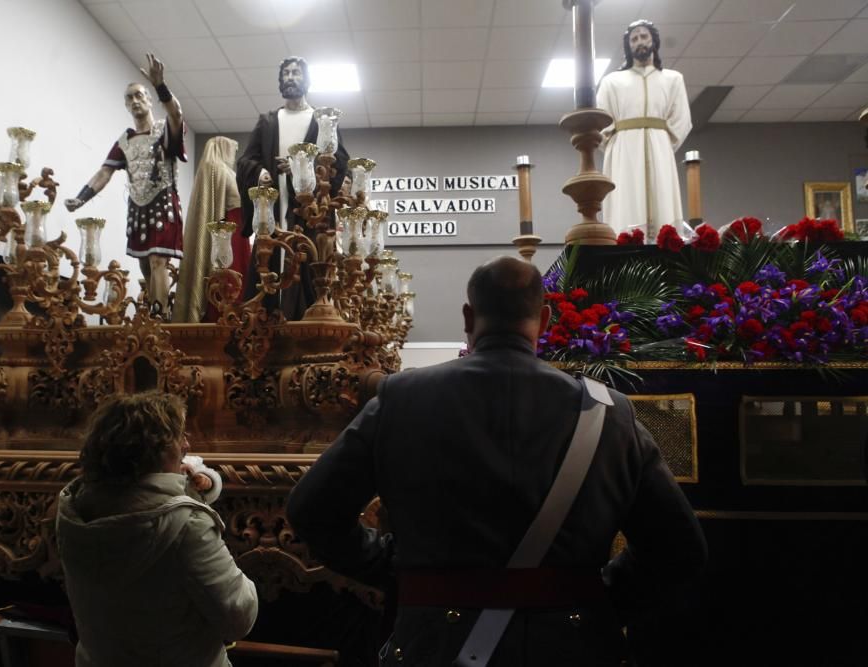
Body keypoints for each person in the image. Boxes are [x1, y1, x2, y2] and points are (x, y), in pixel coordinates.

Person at [287, 256, 707, 666]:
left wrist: (394, 568)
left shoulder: (401, 399)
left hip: (432, 643)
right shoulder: (609, 413)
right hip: (573, 644)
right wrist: (596, 596)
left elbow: (312, 509)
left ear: (468, 317)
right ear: (544, 320)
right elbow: (678, 548)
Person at [57, 391, 258, 667]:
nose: (187, 444)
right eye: (179, 436)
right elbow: (240, 615)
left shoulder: (72, 508)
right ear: (155, 447)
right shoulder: (185, 524)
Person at [65, 53, 187, 318]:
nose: (134, 101)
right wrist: (81, 197)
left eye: (139, 95)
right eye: (129, 98)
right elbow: (105, 172)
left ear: (148, 100)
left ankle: (159, 318)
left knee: (158, 261)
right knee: (146, 266)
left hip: (162, 203)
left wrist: (160, 86)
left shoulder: (164, 131)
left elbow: (176, 113)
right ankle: (154, 309)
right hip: (138, 207)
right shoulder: (125, 140)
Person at [236, 56, 349, 319]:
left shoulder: (322, 121)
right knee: (269, 269)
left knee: (310, 269)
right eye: (286, 73)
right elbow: (245, 161)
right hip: (274, 215)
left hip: (310, 217)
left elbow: (339, 162)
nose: (290, 77)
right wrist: (262, 171)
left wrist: (301, 169)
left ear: (306, 80)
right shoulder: (268, 122)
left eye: (296, 72)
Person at [598, 20, 692, 242]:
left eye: (644, 36)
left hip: (660, 150)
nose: (639, 42)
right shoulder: (612, 81)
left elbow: (681, 121)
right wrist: (619, 148)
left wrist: (660, 145)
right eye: (634, 38)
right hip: (623, 153)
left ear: (654, 41)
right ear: (628, 46)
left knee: (663, 203)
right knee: (626, 201)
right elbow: (600, 123)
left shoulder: (673, 79)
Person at [174, 136, 251, 323]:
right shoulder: (215, 169)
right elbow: (214, 208)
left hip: (238, 232)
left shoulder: (228, 172)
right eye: (232, 149)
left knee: (240, 278)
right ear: (223, 148)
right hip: (226, 233)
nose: (233, 154)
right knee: (226, 279)